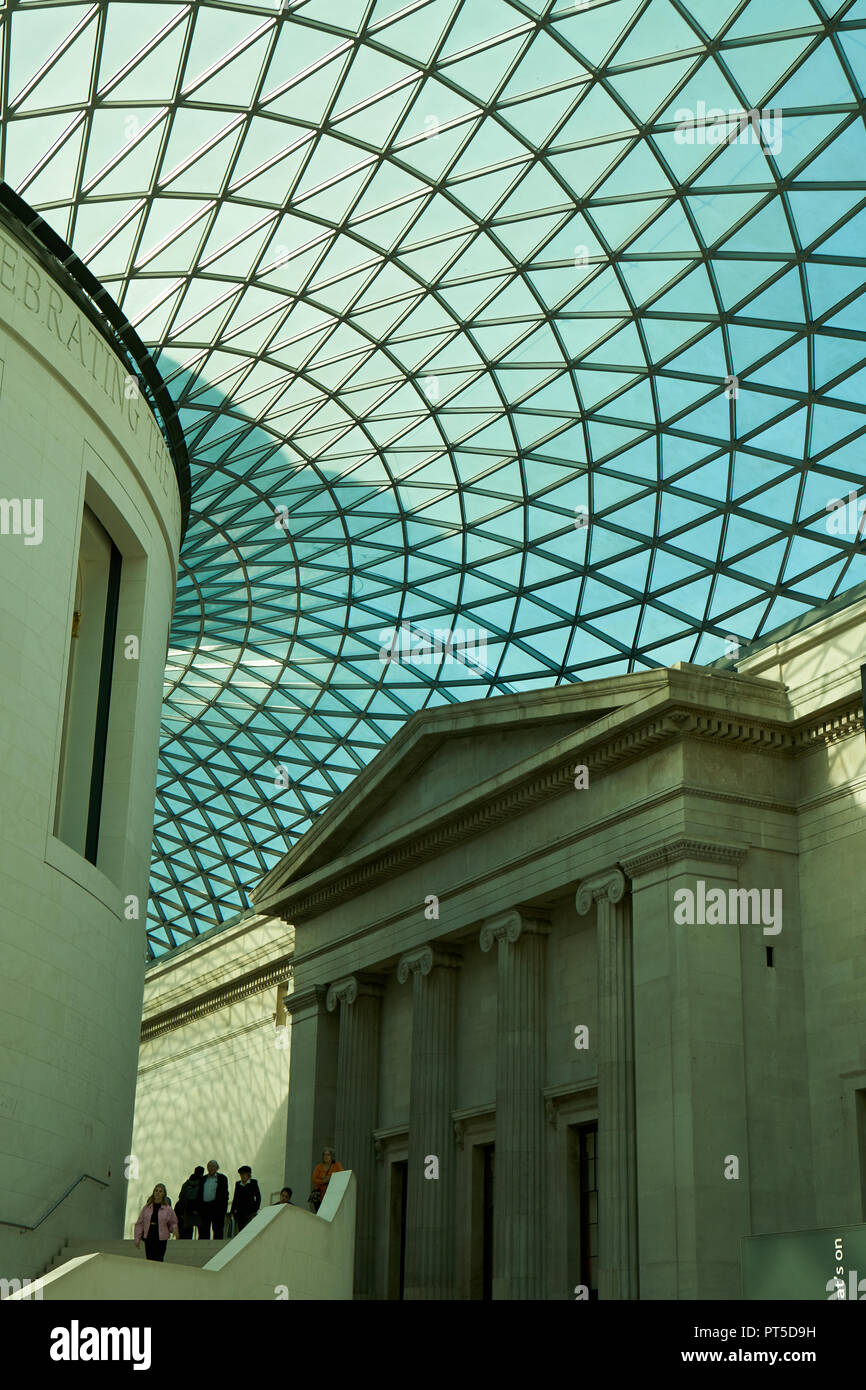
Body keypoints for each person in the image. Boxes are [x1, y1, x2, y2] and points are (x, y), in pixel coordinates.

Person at [134, 1183, 178, 1261]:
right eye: (156, 1191)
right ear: (153, 1192)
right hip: (149, 1235)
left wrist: (174, 1229)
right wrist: (137, 1237)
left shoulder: (167, 1209)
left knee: (159, 1258)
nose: (157, 1193)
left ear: (164, 1194)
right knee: (149, 1258)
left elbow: (173, 1222)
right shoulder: (147, 1207)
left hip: (161, 1237)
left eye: (160, 1191)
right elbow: (140, 1223)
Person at [197, 1159, 229, 1239]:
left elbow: (225, 1194)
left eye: (213, 1166)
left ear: (217, 1168)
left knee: (217, 1229)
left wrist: (223, 1208)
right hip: (204, 1207)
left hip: (217, 1207)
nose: (211, 1168)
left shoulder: (222, 1178)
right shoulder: (203, 1179)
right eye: (209, 1166)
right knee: (203, 1230)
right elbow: (199, 1193)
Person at [175, 1165, 204, 1240]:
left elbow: (181, 1197)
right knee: (202, 1232)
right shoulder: (202, 1182)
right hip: (199, 1210)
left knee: (188, 1231)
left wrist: (182, 1210)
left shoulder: (186, 1184)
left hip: (187, 1209)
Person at [230, 1165, 262, 1232]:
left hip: (250, 1212)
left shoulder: (253, 1183)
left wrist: (255, 1208)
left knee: (249, 1230)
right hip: (240, 1212)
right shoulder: (238, 1184)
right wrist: (232, 1211)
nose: (242, 1176)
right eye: (241, 1174)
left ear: (248, 1175)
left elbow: (258, 1197)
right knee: (241, 1230)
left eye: (244, 1174)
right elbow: (235, 1198)